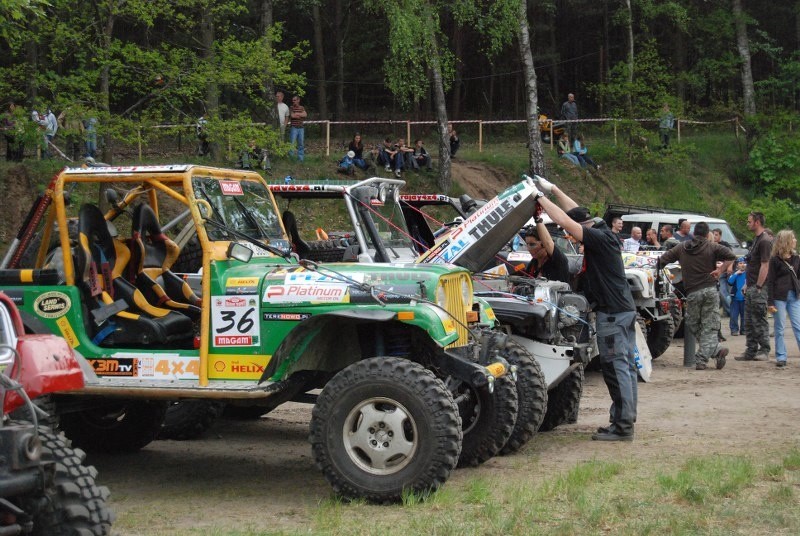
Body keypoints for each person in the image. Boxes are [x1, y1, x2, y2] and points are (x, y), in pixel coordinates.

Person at [533, 176, 637, 442]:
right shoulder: (602, 229)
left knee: (615, 368)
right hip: (622, 310)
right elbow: (574, 213)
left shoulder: (598, 239)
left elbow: (567, 221)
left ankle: (623, 426)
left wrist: (539, 199)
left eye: (577, 236)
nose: (574, 240)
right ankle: (623, 420)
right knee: (623, 365)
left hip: (612, 313)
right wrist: (553, 189)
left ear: (584, 230)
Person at [657, 222, 736, 370]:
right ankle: (715, 350)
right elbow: (731, 256)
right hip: (710, 290)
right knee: (709, 326)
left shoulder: (682, 247)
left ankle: (702, 359)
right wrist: (720, 271)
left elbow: (662, 260)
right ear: (707, 234)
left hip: (692, 292)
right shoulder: (713, 247)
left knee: (692, 323)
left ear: (694, 233)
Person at [736, 211, 772, 362]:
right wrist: (746, 284)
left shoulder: (764, 240)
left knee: (759, 319)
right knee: (749, 320)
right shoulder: (757, 239)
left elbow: (765, 265)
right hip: (751, 285)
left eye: (749, 221)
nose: (747, 223)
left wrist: (758, 286)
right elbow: (752, 264)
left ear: (757, 222)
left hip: (758, 287)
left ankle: (764, 350)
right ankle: (751, 350)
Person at [766, 230, 800, 368]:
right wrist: (770, 301)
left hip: (794, 295)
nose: (795, 240)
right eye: (793, 238)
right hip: (779, 296)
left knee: (798, 326)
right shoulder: (775, 260)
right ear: (786, 241)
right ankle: (781, 356)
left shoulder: (797, 258)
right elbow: (771, 281)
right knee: (779, 327)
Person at [521, 219, 571, 284]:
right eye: (527, 244)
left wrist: (538, 219)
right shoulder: (533, 262)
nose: (528, 248)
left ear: (544, 245)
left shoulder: (557, 260)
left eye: (532, 244)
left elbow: (548, 243)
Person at [713, 228, 733, 317]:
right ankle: (725, 310)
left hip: (724, 271)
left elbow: (732, 257)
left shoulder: (725, 245)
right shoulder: (710, 245)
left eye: (716, 234)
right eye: (713, 234)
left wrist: (729, 266)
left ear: (720, 235)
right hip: (714, 271)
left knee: (723, 292)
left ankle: (729, 311)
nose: (714, 236)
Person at [728, 258, 747, 336]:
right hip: (735, 298)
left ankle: (744, 329)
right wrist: (736, 274)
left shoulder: (748, 274)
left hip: (745, 297)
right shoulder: (734, 274)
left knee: (745, 315)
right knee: (734, 315)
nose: (742, 265)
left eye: (744, 263)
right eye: (740, 263)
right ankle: (734, 329)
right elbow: (730, 282)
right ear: (737, 265)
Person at [288, 95, 307, 162]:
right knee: (292, 143)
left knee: (301, 143)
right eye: (293, 100)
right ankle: (291, 159)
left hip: (301, 128)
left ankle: (300, 159)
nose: (293, 101)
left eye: (295, 100)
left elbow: (305, 115)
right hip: (294, 128)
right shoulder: (291, 107)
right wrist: (300, 114)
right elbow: (292, 116)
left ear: (298, 100)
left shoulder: (302, 107)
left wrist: (297, 114)